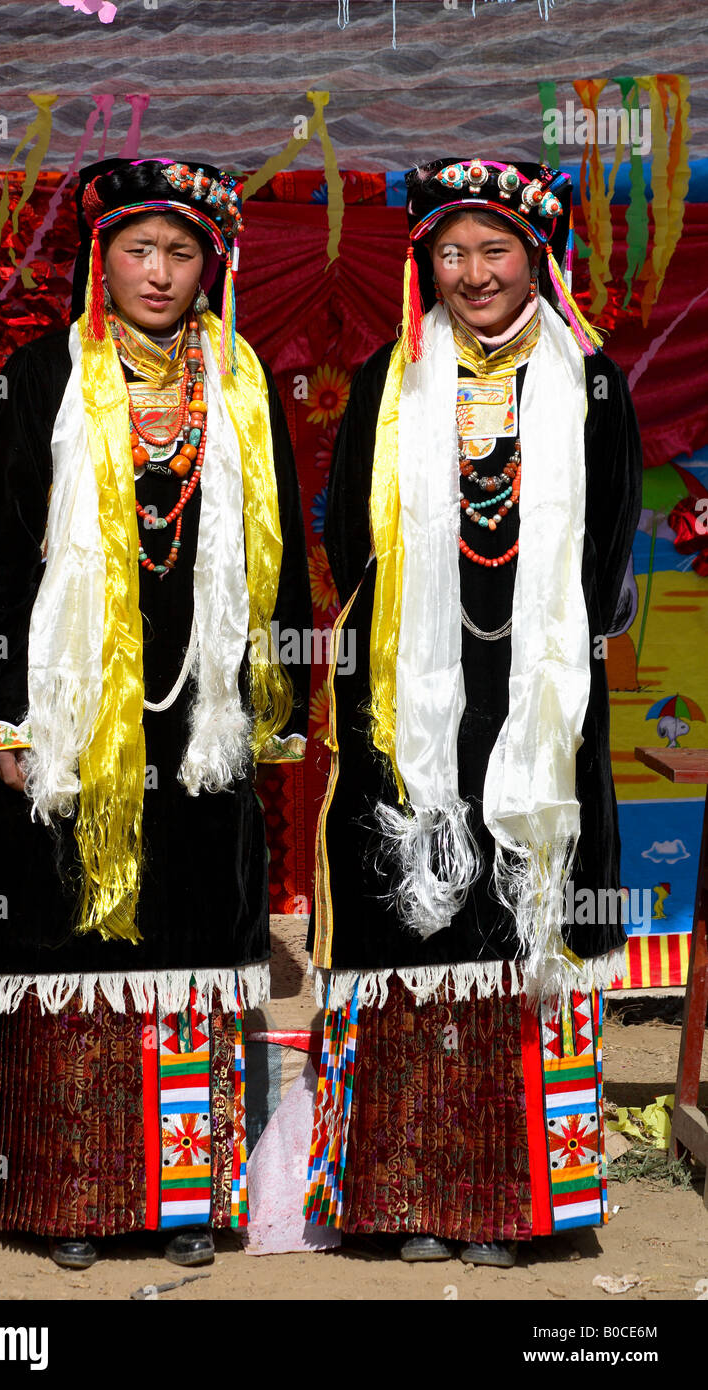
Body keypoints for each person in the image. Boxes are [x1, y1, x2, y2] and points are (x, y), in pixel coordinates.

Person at [0, 157, 311, 1270]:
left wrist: (266, 701)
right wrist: (0, 719)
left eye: (182, 252)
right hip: (69, 706)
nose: (159, 271)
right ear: (104, 258)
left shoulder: (238, 379)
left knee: (191, 936)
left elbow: (282, 562)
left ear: (211, 266)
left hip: (199, 714)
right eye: (140, 249)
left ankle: (186, 1200)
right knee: (70, 941)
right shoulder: (44, 372)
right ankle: (68, 1196)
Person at [304, 159, 642, 1266]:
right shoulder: (386, 380)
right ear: (425, 265)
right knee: (418, 923)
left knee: (519, 924)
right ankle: (405, 1193)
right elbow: (347, 537)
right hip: (415, 696)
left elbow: (606, 550)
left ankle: (512, 1202)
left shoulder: (590, 385)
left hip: (538, 698)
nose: (473, 273)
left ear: (534, 258)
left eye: (495, 250)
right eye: (452, 253)